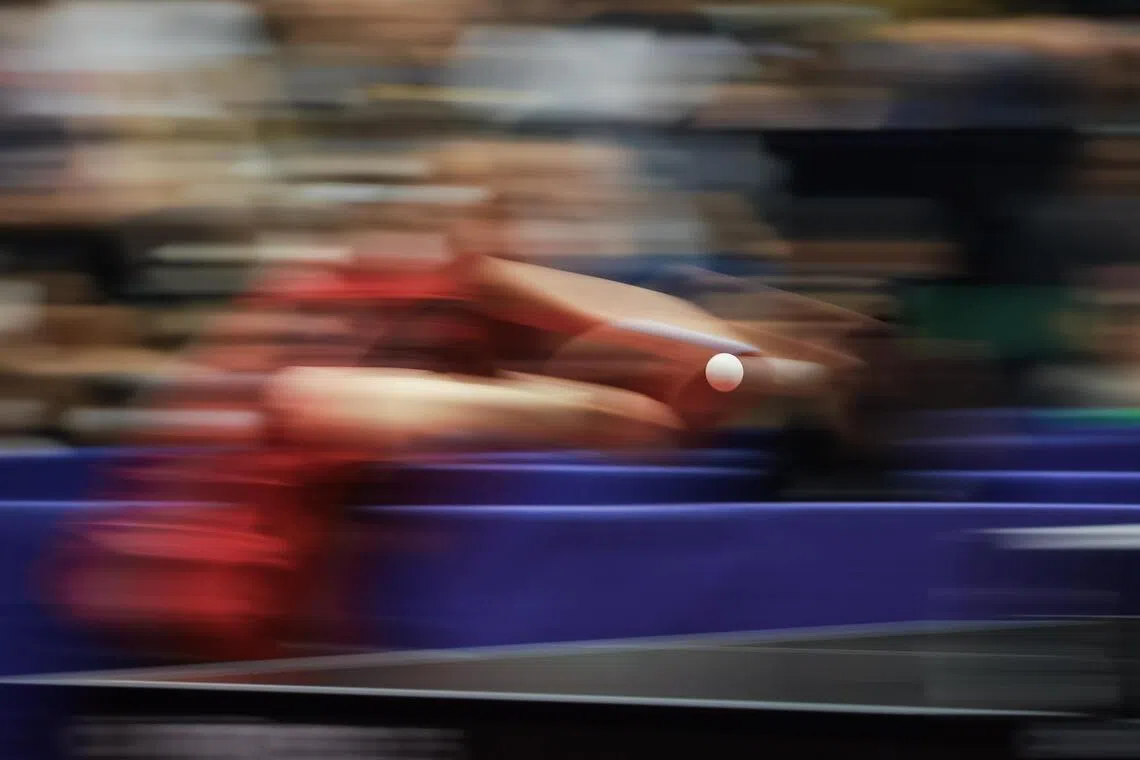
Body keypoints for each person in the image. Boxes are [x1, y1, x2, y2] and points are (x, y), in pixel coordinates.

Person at [51, 142, 863, 662]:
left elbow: (651, 328)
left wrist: (780, 369)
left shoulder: (487, 292)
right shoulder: (352, 290)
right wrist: (550, 411)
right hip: (192, 602)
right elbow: (319, 401)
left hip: (300, 620)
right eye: (542, 204)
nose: (573, 222)